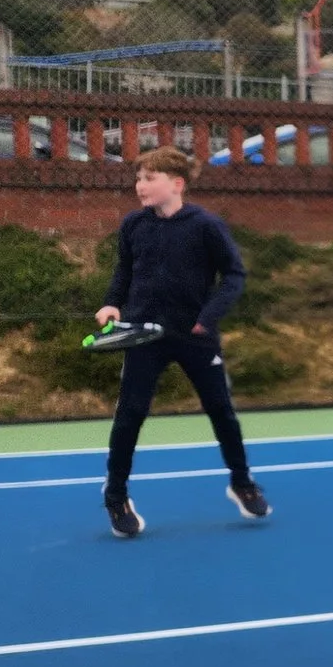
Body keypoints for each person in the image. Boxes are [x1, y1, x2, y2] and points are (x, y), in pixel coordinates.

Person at [93, 146, 269, 538]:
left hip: (195, 338)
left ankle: (242, 482)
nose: (140, 186)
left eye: (149, 178)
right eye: (138, 178)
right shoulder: (134, 225)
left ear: (176, 184)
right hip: (143, 336)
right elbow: (124, 270)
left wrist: (207, 319)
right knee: (130, 415)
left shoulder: (205, 225)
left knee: (221, 411)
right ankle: (116, 496)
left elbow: (234, 276)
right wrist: (111, 304)